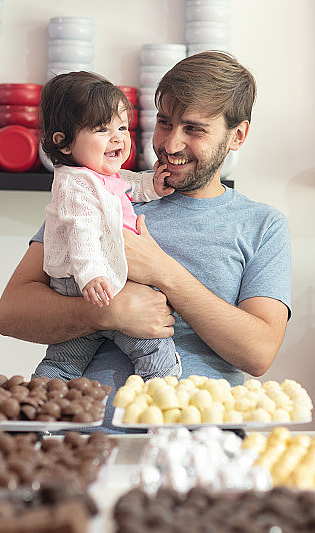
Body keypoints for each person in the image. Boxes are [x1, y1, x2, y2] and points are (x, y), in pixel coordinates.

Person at [0, 52, 291, 416]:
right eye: (164, 123)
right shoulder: (102, 193)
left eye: (194, 129)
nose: (171, 144)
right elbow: (11, 314)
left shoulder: (262, 225)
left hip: (196, 438)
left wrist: (163, 272)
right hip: (81, 440)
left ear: (237, 135)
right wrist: (106, 314)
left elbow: (259, 353)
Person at [35, 70, 181, 382]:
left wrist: (152, 186)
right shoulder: (74, 185)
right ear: (63, 143)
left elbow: (127, 184)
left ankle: (41, 407)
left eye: (121, 127)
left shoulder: (99, 175)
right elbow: (81, 230)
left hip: (89, 280)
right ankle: (165, 391)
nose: (117, 137)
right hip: (88, 281)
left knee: (66, 359)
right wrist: (91, 275)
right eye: (102, 129)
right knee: (150, 343)